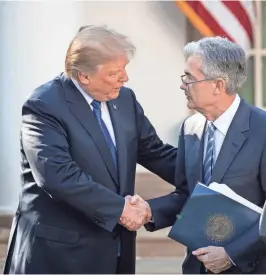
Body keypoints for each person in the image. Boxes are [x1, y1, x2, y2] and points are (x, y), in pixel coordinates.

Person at [2, 25, 175, 274]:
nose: (125, 78)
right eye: (115, 72)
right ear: (84, 76)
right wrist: (122, 209)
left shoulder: (125, 99)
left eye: (125, 69)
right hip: (59, 255)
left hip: (115, 252)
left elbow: (155, 151)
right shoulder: (44, 105)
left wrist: (205, 169)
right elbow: (57, 175)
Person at [143, 36, 266, 274]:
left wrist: (232, 254)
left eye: (189, 78)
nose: (182, 85)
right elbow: (187, 195)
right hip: (198, 267)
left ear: (218, 85)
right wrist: (148, 210)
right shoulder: (190, 128)